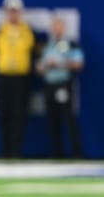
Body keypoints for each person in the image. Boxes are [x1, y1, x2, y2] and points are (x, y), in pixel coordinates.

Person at [0, 0, 35, 158]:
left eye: (16, 11)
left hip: (21, 78)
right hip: (4, 77)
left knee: (19, 114)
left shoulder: (27, 31)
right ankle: (5, 151)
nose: (13, 14)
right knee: (4, 113)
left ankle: (15, 151)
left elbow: (33, 51)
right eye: (10, 11)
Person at [36, 17, 84, 158]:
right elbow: (39, 67)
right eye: (54, 26)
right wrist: (45, 66)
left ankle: (77, 153)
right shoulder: (48, 45)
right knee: (52, 120)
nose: (56, 29)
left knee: (69, 119)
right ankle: (57, 154)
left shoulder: (71, 44)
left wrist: (59, 64)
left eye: (59, 26)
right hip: (49, 85)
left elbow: (78, 64)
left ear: (64, 28)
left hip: (63, 84)